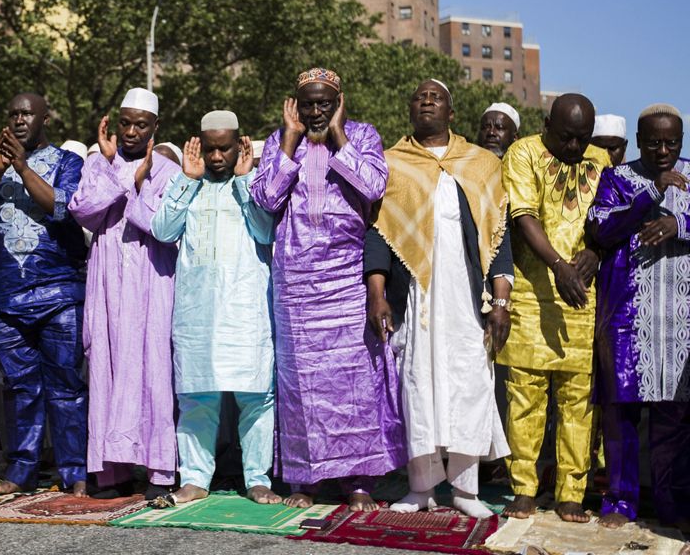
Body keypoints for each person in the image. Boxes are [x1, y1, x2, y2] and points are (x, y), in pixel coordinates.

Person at [251, 68, 404, 511]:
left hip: (345, 277)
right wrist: (287, 142)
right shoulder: (279, 140)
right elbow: (265, 200)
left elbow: (374, 186)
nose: (315, 111)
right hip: (295, 283)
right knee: (302, 384)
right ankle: (306, 478)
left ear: (339, 101)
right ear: (294, 104)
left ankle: (358, 481)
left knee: (353, 381)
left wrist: (339, 137)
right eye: (308, 103)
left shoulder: (362, 135)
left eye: (324, 103)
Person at [365, 80, 512, 519]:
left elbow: (497, 237)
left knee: (469, 384)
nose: (427, 101)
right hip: (416, 297)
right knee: (418, 384)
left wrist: (501, 302)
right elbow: (378, 235)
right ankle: (422, 487)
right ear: (410, 109)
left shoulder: (481, 164)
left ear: (452, 112)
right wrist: (377, 294)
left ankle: (466, 490)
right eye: (420, 96)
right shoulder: (393, 164)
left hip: (468, 299)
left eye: (437, 97)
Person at [0, 92, 88, 496]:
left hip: (58, 293)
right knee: (19, 389)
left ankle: (75, 471)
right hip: (8, 297)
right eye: (12, 113)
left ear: (44, 118)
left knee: (65, 387)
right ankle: (21, 471)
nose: (18, 120)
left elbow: (63, 206)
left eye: (26, 113)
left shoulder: (69, 163)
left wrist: (23, 167)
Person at [150, 111, 278, 507]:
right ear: (199, 148)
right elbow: (162, 230)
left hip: (245, 309)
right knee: (196, 398)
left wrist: (243, 181)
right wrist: (187, 180)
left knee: (255, 396)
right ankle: (194, 479)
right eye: (211, 149)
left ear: (240, 146)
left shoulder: (253, 183)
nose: (217, 156)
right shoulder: (186, 184)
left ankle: (257, 478)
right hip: (198, 312)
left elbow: (265, 230)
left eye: (225, 148)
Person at [499, 93, 607, 522]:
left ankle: (570, 494)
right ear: (546, 123)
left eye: (583, 138)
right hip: (531, 292)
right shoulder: (522, 152)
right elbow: (523, 218)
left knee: (579, 400)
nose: (576, 148)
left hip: (583, 296)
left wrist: (595, 251)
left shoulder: (601, 160)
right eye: (567, 138)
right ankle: (524, 489)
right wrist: (559, 266)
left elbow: (614, 215)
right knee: (524, 395)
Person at [68, 88, 179, 499]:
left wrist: (135, 183)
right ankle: (112, 474)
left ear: (155, 128)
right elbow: (84, 209)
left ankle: (159, 473)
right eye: (125, 123)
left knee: (153, 372)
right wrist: (121, 173)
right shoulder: (97, 163)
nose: (131, 132)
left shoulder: (168, 170)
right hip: (107, 286)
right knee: (107, 369)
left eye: (141, 125)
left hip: (151, 282)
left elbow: (161, 225)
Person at [587, 104, 690, 531]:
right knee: (621, 413)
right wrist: (651, 193)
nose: (663, 150)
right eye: (653, 142)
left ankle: (673, 507)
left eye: (671, 142)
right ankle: (621, 500)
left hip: (680, 320)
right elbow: (600, 229)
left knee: (675, 419)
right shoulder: (617, 178)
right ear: (639, 141)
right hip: (629, 315)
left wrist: (679, 224)